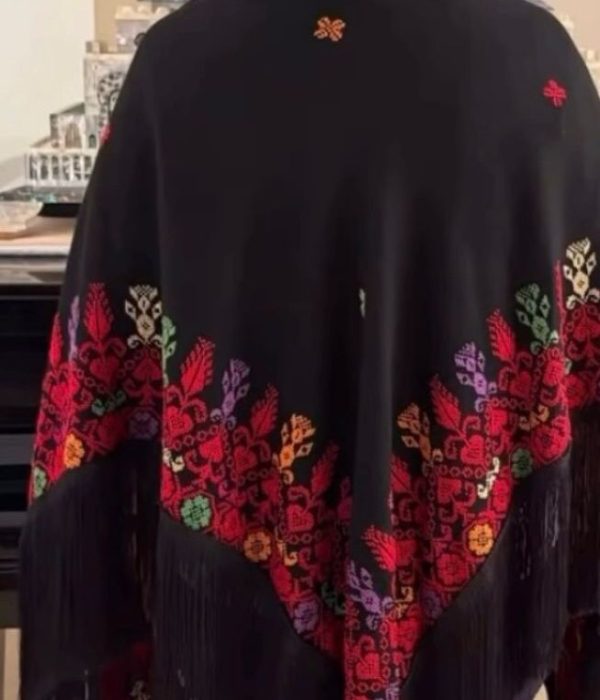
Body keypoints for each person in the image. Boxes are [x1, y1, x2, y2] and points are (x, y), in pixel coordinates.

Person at [20, 0, 600, 698]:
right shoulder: (537, 59)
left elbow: (99, 393)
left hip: (230, 644)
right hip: (467, 636)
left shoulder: (173, 65)